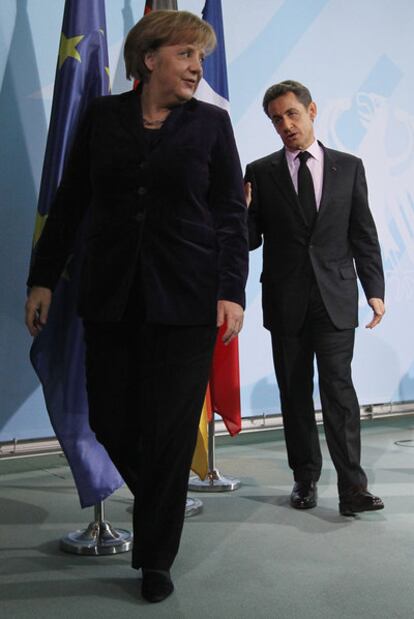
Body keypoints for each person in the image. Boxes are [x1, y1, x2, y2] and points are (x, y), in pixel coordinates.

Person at [25, 10, 248, 603]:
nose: (197, 67)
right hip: (110, 297)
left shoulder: (210, 126)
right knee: (111, 421)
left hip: (188, 302)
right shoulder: (102, 118)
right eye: (186, 55)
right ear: (150, 59)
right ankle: (161, 501)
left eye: (200, 58)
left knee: (172, 433)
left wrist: (231, 290)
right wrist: (42, 279)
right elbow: (71, 202)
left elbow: (231, 214)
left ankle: (155, 559)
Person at [245, 80, 385, 518]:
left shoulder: (350, 166)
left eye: (291, 114)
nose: (285, 125)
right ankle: (304, 479)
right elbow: (249, 240)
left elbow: (363, 232)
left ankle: (353, 488)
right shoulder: (260, 172)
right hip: (286, 301)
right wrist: (238, 211)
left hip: (336, 297)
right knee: (294, 393)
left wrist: (374, 290)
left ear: (312, 110)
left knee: (339, 391)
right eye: (275, 120)